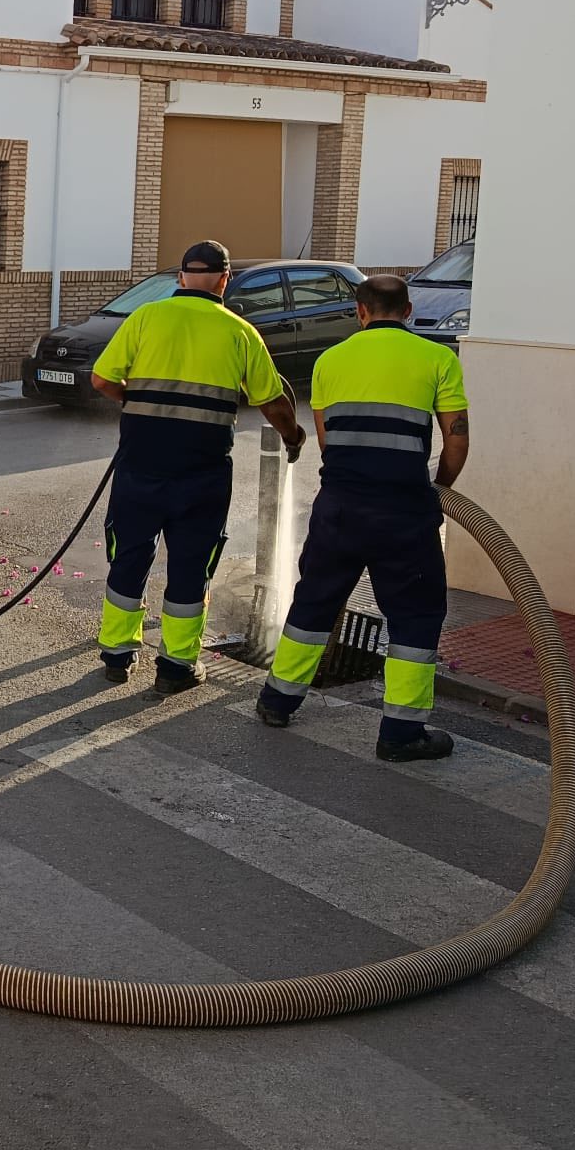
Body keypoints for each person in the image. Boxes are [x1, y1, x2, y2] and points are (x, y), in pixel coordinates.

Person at [255, 273, 470, 761]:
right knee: (415, 614)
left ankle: (277, 700)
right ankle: (401, 734)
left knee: (314, 602)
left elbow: (326, 439)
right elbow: (456, 438)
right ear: (409, 311)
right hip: (403, 510)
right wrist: (438, 490)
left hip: (339, 506)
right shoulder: (438, 358)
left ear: (360, 312)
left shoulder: (330, 360)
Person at [91, 241, 306, 692]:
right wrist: (293, 437)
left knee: (130, 554)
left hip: (140, 463)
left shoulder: (145, 317)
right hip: (202, 473)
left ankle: (117, 656)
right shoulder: (240, 332)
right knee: (191, 565)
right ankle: (176, 668)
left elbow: (102, 379)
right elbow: (272, 401)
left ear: (181, 278)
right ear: (225, 280)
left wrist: (138, 403)